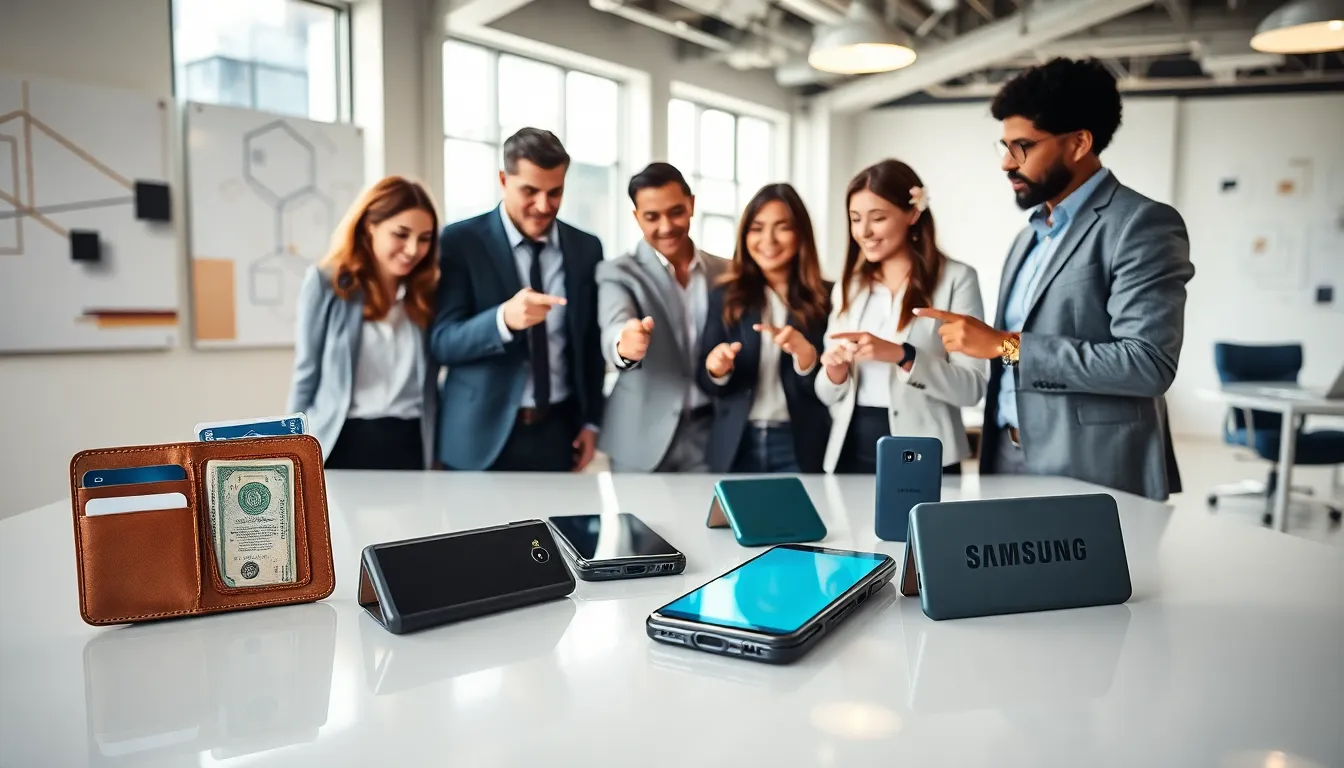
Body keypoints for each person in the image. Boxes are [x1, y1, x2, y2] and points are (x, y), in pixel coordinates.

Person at [917, 57, 1192, 500]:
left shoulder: (1142, 224)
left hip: (1091, 467)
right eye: (1003, 146)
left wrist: (1006, 345)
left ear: (1079, 142)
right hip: (1004, 459)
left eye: (1022, 146)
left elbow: (1147, 365)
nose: (1007, 163)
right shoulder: (1029, 237)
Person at [430, 128, 605, 472]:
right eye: (530, 191)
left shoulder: (587, 248)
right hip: (478, 438)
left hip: (558, 433)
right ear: (503, 179)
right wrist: (502, 320)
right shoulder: (459, 242)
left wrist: (591, 421)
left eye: (555, 192)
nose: (543, 205)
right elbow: (442, 342)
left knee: (556, 527)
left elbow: (590, 343)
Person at [816, 160, 988, 475]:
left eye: (878, 218)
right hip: (852, 447)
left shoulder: (956, 279)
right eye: (855, 219)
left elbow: (972, 389)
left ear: (912, 213)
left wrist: (903, 355)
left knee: (921, 527)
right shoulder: (849, 286)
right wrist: (834, 372)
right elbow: (826, 394)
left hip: (924, 449)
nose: (864, 232)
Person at [289, 176, 441, 470]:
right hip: (342, 442)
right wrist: (290, 454)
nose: (413, 249)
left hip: (411, 445)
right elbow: (306, 374)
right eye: (401, 234)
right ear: (370, 227)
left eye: (424, 239)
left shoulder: (427, 293)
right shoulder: (326, 284)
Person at [597, 162, 730, 472]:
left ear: (692, 204)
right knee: (639, 522)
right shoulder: (618, 272)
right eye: (652, 217)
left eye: (676, 212)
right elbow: (614, 324)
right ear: (636, 217)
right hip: (639, 436)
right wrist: (624, 345)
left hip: (710, 434)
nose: (666, 226)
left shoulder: (726, 272)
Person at [696, 183, 831, 474]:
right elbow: (706, 381)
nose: (768, 239)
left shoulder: (827, 298)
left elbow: (832, 387)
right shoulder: (725, 296)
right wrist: (717, 369)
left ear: (800, 234)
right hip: (737, 443)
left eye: (782, 227)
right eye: (757, 228)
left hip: (801, 443)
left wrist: (806, 359)